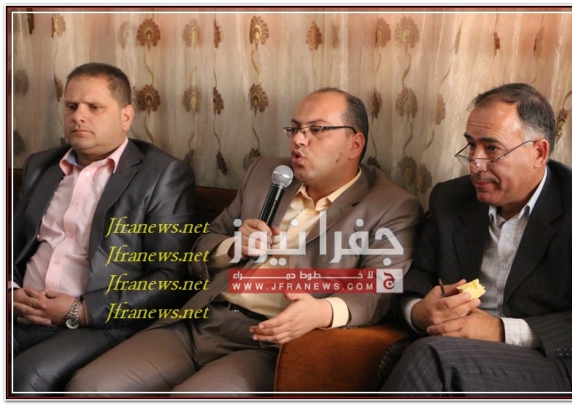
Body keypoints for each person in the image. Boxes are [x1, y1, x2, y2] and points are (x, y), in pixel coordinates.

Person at [66, 87, 423, 394]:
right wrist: (233, 247)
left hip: (269, 343)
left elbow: (380, 287)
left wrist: (323, 311)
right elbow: (204, 243)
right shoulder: (267, 173)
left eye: (317, 130)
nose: (299, 140)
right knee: (89, 387)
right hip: (202, 320)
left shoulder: (390, 205)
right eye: (295, 129)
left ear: (355, 143)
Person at [381, 83, 572, 394]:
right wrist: (418, 311)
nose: (475, 163)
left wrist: (500, 330)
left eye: (492, 149)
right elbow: (417, 278)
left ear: (539, 152)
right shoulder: (451, 198)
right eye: (471, 145)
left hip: (556, 363)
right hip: (458, 351)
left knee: (433, 358)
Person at [11, 62, 201, 393]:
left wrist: (82, 311)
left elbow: (172, 277)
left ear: (126, 116)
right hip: (20, 312)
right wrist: (10, 291)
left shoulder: (163, 175)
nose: (78, 116)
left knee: (21, 378)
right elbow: (11, 243)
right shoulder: (41, 165)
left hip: (99, 324)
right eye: (71, 106)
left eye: (94, 107)